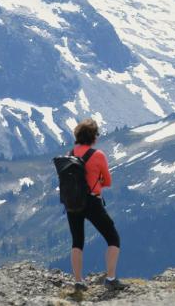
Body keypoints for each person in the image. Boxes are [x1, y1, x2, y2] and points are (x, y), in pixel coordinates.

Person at [67, 118, 128, 291]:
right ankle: (110, 278)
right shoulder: (98, 155)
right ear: (93, 137)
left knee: (77, 241)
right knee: (112, 237)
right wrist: (97, 182)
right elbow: (107, 181)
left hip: (73, 202)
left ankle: (78, 282)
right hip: (92, 202)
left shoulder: (70, 153)